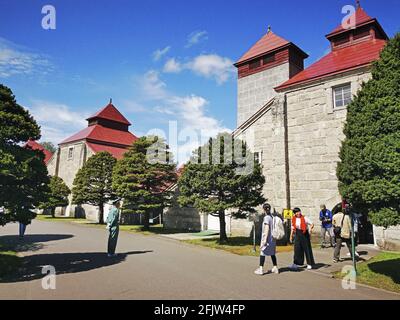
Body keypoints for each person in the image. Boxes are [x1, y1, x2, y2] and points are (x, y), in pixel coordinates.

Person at [254, 203, 279, 275]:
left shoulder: (266, 218)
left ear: (264, 209)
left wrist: (264, 240)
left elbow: (266, 228)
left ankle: (261, 269)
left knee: (262, 253)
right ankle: (275, 267)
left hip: (267, 239)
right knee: (272, 253)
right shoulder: (272, 217)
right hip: (272, 239)